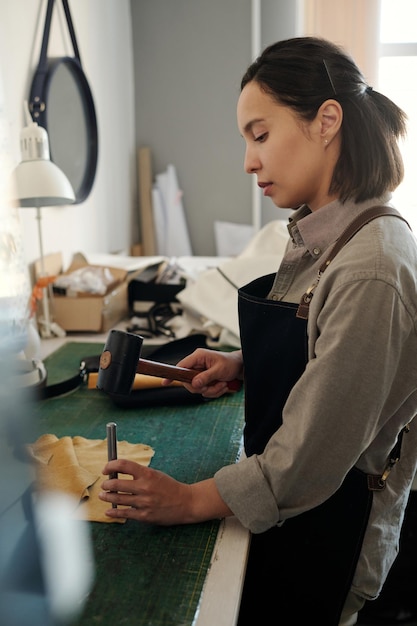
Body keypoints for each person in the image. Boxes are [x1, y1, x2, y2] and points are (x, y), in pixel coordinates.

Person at [100, 37, 417, 625]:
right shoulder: (330, 235)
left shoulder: (372, 264)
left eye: (260, 134)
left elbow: (312, 455)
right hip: (297, 518)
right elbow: (330, 351)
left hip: (330, 532)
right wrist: (243, 364)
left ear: (326, 121)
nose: (248, 161)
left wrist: (191, 499)